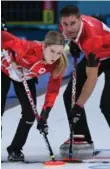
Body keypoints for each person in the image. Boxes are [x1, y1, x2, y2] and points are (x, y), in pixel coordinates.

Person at [1, 30, 68, 161]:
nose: (55, 56)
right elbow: (3, 36)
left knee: (30, 115)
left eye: (59, 53)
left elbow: (53, 90)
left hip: (26, 76)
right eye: (52, 51)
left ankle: (15, 149)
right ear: (44, 46)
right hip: (4, 70)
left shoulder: (58, 64)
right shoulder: (28, 48)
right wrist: (11, 59)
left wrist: (45, 114)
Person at [59, 5, 110, 158]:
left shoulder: (91, 40)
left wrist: (79, 106)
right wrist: (73, 44)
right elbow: (68, 37)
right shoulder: (67, 27)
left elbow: (91, 80)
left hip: (103, 54)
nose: (68, 28)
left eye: (72, 24)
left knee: (107, 104)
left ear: (80, 20)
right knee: (69, 96)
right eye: (65, 24)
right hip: (97, 54)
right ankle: (82, 138)